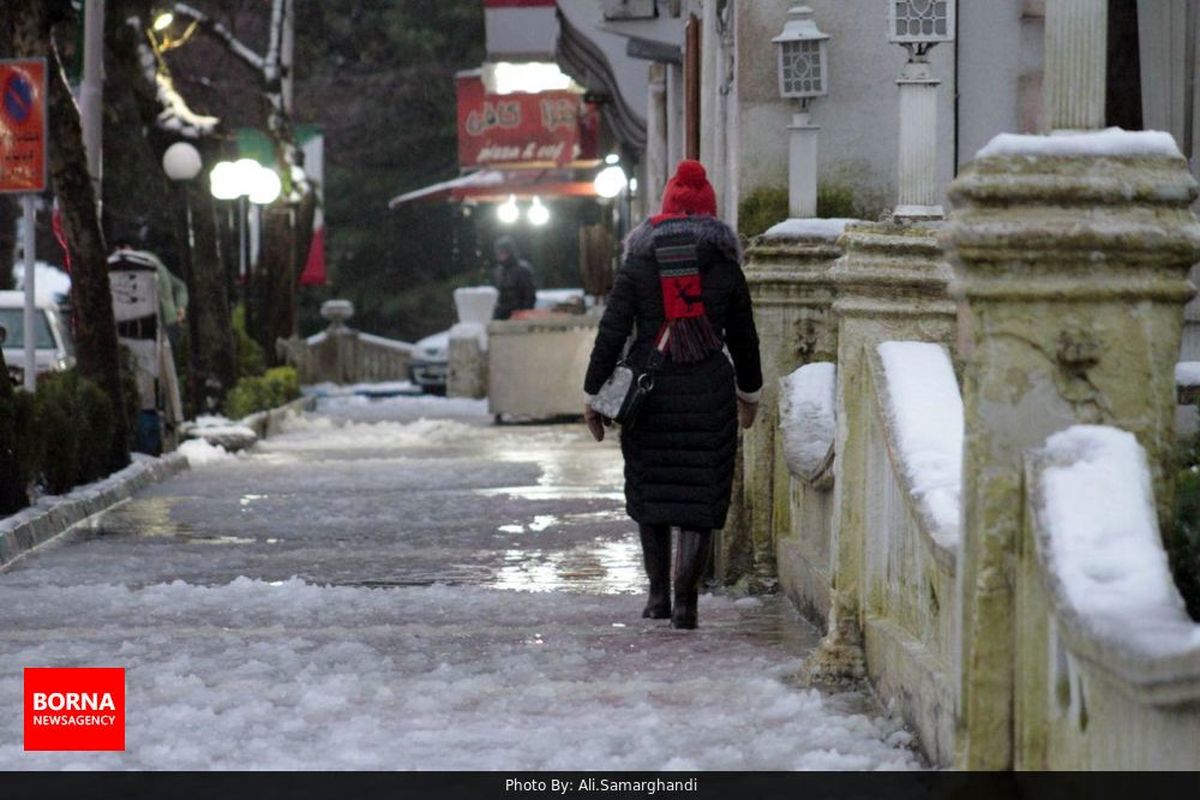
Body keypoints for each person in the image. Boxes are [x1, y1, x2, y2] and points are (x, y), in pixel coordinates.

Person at [583, 160, 763, 630]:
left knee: (653, 496)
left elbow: (612, 331)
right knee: (699, 501)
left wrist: (593, 393)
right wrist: (750, 393)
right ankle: (687, 601)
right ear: (711, 215)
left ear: (663, 211)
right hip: (708, 394)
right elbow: (744, 337)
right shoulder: (724, 268)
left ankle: (657, 597)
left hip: (650, 393)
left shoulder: (640, 264)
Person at [492, 235, 536, 320]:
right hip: (502, 312)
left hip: (519, 311)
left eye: (504, 252)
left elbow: (529, 294)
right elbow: (497, 292)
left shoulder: (523, 269)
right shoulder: (498, 271)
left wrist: (525, 312)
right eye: (499, 252)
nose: (501, 255)